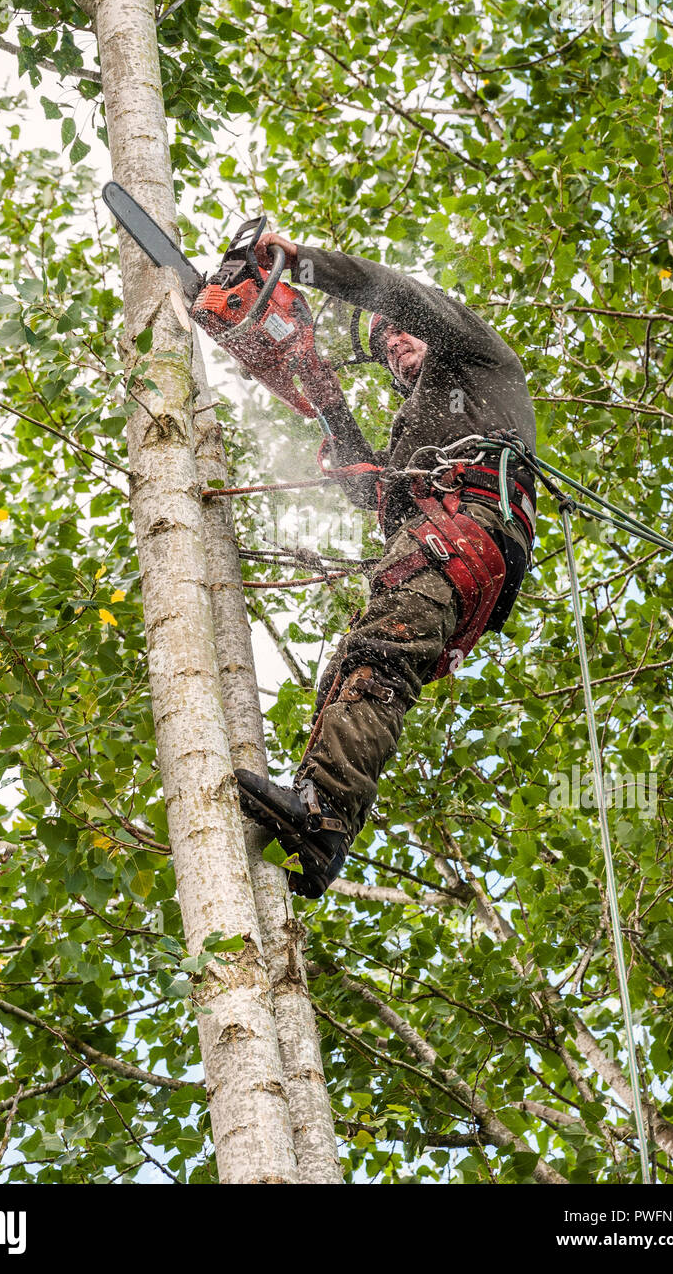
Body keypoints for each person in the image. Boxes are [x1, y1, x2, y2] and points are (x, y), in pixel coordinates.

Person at [235, 231, 538, 898]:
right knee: (357, 667)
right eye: (382, 343)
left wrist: (302, 264)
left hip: (466, 531)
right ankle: (320, 830)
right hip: (435, 541)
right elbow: (370, 487)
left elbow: (397, 292)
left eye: (402, 333)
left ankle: (323, 814)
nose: (395, 343)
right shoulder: (413, 426)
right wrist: (328, 405)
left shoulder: (478, 357)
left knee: (379, 653)